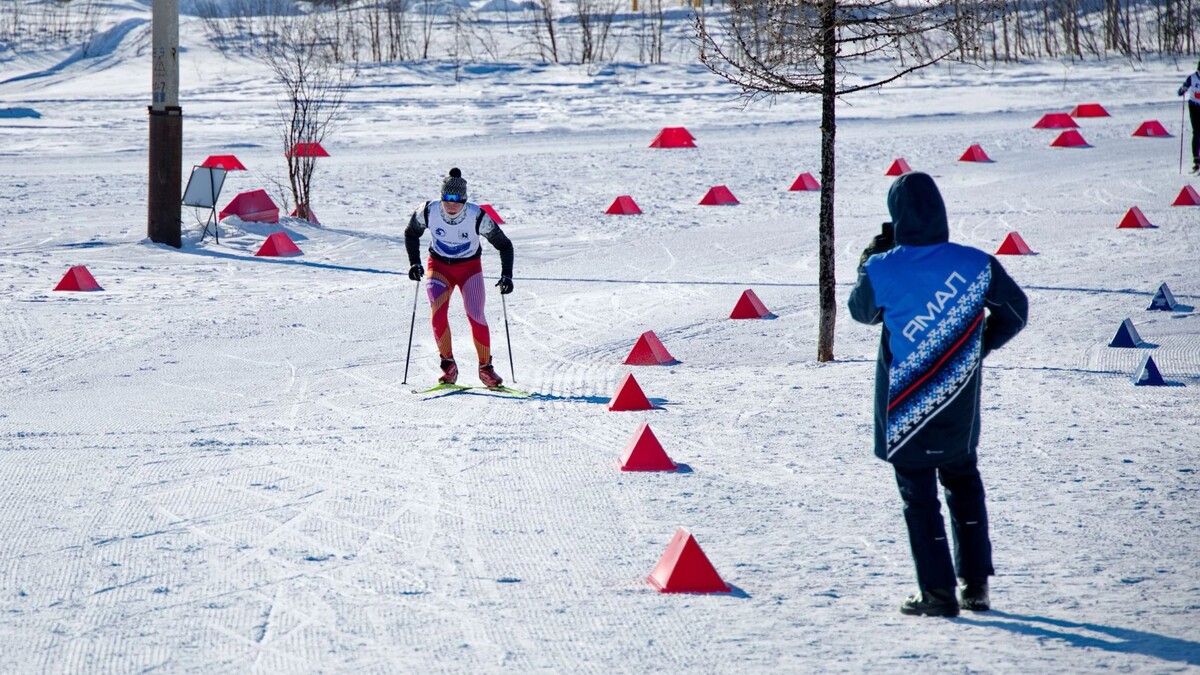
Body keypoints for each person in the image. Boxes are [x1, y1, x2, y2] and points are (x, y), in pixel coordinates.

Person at [848, 172, 1028, 617]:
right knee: (964, 484)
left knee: (919, 498)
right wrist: (973, 347)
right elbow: (1015, 313)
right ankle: (976, 587)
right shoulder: (975, 263)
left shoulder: (884, 266)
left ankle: (937, 593)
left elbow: (860, 312)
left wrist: (871, 256)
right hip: (959, 404)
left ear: (897, 217)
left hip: (906, 407)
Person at [405, 168, 514, 387]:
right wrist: (414, 262)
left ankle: (486, 369)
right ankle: (448, 366)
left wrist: (507, 276)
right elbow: (411, 233)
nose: (451, 204)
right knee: (437, 311)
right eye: (447, 198)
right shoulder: (428, 210)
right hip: (438, 267)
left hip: (469, 268)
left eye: (456, 200)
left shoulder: (477, 216)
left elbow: (504, 245)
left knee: (475, 315)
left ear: (464, 199)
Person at [1178, 60, 1200, 174]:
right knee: (1196, 132)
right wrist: (1182, 90)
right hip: (1194, 107)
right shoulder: (1192, 78)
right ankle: (1196, 160)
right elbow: (1182, 89)